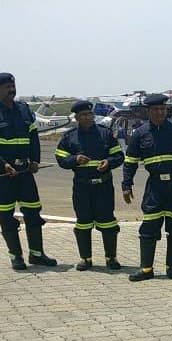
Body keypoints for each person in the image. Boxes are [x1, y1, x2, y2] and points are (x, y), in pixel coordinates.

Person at [0, 72, 56, 270]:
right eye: (6, 87)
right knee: (6, 215)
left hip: (24, 172)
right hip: (2, 174)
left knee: (33, 213)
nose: (11, 90)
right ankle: (16, 256)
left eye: (13, 86)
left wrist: (35, 160)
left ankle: (37, 254)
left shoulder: (24, 109)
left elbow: (34, 137)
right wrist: (3, 163)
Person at [122, 94, 172, 281]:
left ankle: (171, 267)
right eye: (156, 109)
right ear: (148, 112)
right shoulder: (140, 134)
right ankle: (146, 269)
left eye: (163, 109)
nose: (160, 112)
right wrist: (126, 185)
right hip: (155, 188)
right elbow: (130, 162)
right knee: (149, 227)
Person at [55, 100, 125, 270]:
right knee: (83, 223)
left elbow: (119, 157)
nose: (88, 118)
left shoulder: (105, 134)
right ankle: (86, 259)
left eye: (90, 114)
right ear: (77, 117)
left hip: (103, 186)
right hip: (82, 187)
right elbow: (61, 159)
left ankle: (111, 258)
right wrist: (75, 159)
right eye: (84, 115)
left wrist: (108, 162)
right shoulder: (69, 136)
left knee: (108, 222)